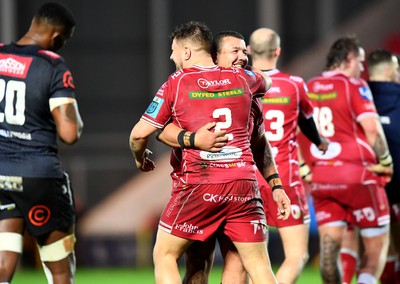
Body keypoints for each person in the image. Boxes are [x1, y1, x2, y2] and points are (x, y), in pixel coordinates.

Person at [129, 21, 290, 284]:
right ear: (215, 54)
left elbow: (140, 134)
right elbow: (268, 82)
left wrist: (141, 157)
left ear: (186, 52)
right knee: (259, 267)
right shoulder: (245, 81)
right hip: (243, 185)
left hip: (199, 186)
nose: (171, 56)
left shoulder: (177, 83)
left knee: (165, 255)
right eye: (234, 51)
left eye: (173, 51)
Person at [0, 3, 83, 284]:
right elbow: (69, 133)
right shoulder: (52, 65)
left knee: (4, 258)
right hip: (38, 176)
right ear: (57, 38)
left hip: (0, 173)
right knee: (60, 268)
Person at [304, 35, 392, 284]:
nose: (362, 69)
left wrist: (306, 166)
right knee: (376, 250)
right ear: (349, 59)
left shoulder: (309, 86)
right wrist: (386, 161)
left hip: (323, 178)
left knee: (329, 253)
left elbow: (298, 132)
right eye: (360, 62)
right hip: (357, 176)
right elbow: (373, 130)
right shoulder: (354, 86)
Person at [247, 27, 328, 284]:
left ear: (248, 51)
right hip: (285, 177)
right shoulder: (294, 85)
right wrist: (320, 142)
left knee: (250, 259)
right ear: (277, 51)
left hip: (247, 177)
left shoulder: (240, 85)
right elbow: (308, 124)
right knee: (296, 255)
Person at [367, 49, 400, 284]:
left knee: (372, 253)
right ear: (389, 71)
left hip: (367, 186)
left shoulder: (358, 97)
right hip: (397, 185)